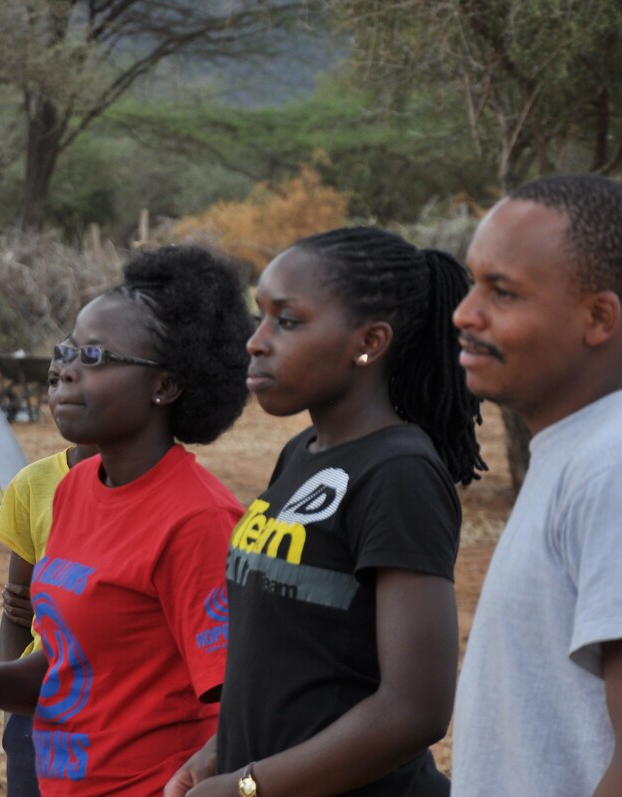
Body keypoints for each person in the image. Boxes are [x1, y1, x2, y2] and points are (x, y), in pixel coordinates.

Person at [0, 245, 255, 797]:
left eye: (93, 357)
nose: (63, 370)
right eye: (66, 350)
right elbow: (77, 663)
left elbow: (244, 701)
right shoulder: (73, 491)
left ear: (165, 385)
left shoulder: (197, 520)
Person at [168, 227, 485, 797]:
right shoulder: (302, 454)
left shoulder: (399, 473)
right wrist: (222, 751)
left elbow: (416, 709)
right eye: (259, 316)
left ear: (369, 342)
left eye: (286, 321)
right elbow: (290, 660)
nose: (255, 341)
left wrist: (250, 786)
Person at [450, 173, 622, 796]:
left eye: (502, 292)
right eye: (474, 282)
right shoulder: (589, 448)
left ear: (599, 316)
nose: (465, 313)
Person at [0, 360, 98, 797]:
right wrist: (14, 716)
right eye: (54, 380)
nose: (61, 392)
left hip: (115, 716)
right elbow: (18, 610)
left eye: (78, 379)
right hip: (41, 713)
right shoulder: (33, 484)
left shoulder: (179, 503)